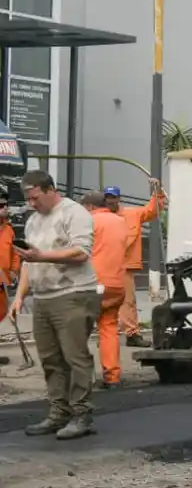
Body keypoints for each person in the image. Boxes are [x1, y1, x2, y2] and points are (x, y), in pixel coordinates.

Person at [10, 170, 98, 439]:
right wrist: (20, 296)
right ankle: (59, 413)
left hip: (73, 293)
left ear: (50, 190)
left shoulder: (74, 213)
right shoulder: (33, 221)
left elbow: (81, 252)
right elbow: (28, 261)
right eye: (28, 199)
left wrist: (42, 256)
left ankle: (81, 414)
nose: (32, 204)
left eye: (35, 198)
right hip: (44, 297)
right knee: (50, 359)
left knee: (75, 357)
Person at [104, 178, 166, 348]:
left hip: (124, 268)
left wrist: (157, 190)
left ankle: (131, 334)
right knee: (98, 301)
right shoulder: (99, 218)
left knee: (128, 302)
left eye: (113, 197)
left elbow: (154, 210)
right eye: (108, 197)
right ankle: (103, 334)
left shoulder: (132, 214)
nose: (111, 200)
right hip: (102, 267)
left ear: (119, 198)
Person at [81, 191, 129, 389]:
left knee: (78, 329)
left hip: (91, 283)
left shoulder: (88, 222)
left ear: (90, 207)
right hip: (116, 284)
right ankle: (112, 377)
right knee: (108, 328)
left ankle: (82, 378)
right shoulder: (120, 221)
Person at [0, 191, 22, 324]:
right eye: (1, 205)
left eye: (6, 205)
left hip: (3, 284)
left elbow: (15, 253)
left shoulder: (9, 230)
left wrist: (14, 270)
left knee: (2, 315)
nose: (5, 208)